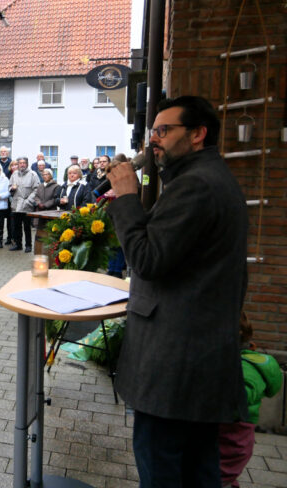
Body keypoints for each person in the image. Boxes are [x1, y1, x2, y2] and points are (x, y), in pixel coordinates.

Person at [106, 95, 249, 487]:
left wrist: (127, 199)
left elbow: (148, 259)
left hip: (176, 364)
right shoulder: (206, 179)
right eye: (153, 131)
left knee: (163, 468)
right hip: (197, 363)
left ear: (198, 134)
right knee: (199, 469)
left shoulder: (196, 187)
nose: (154, 140)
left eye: (164, 131)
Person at [218, 311, 282, 488]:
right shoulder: (255, 362)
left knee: (216, 476)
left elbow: (238, 399)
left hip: (229, 436)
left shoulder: (244, 368)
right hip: (239, 438)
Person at [8, 157, 40, 252]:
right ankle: (18, 245)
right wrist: (12, 189)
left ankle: (28, 245)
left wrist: (28, 201)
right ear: (18, 164)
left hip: (27, 204)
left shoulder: (33, 174)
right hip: (16, 204)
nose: (22, 164)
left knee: (27, 227)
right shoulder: (14, 174)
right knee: (17, 226)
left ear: (27, 164)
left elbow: (36, 189)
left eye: (24, 163)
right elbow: (9, 187)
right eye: (20, 163)